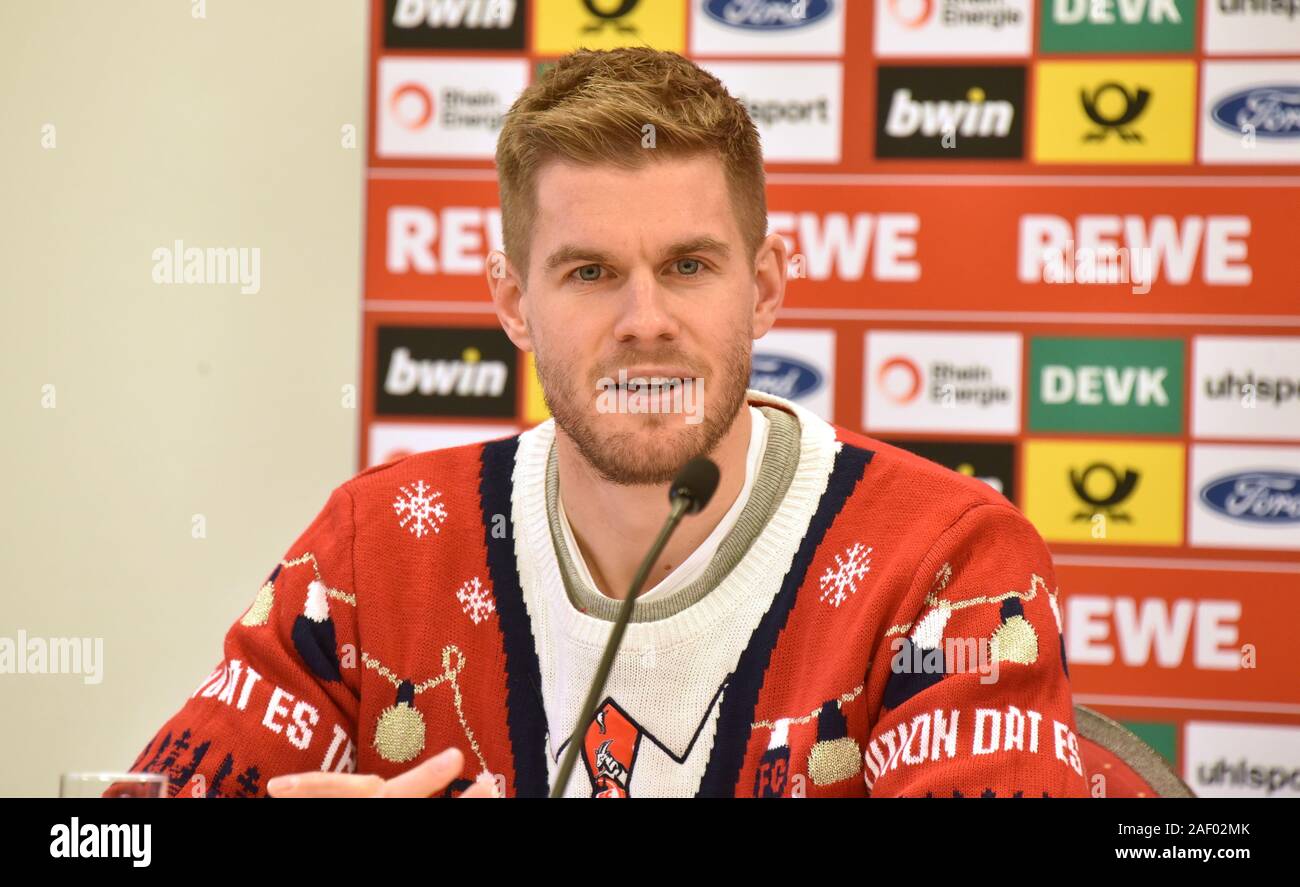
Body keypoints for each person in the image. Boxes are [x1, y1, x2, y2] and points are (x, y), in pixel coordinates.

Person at [126, 47, 1088, 798]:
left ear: (764, 289)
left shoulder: (944, 564)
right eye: (589, 273)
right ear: (511, 301)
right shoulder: (377, 551)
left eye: (688, 266)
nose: (645, 322)